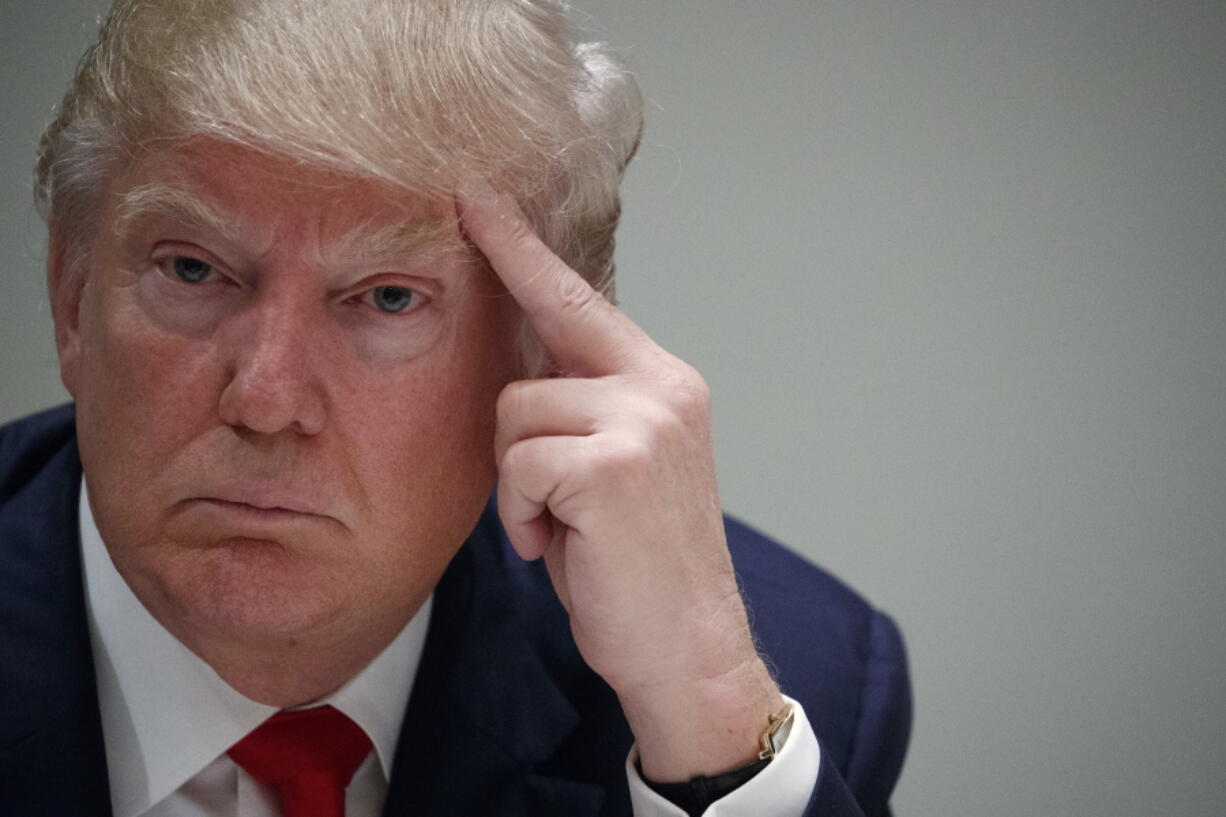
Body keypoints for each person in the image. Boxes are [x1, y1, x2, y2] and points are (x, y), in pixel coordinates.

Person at [0, 1, 910, 815]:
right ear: (71, 297)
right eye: (192, 269)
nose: (267, 402)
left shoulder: (773, 689)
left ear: (541, 355)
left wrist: (708, 732)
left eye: (388, 296)